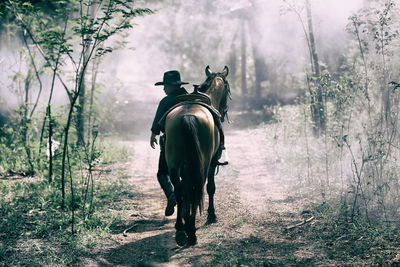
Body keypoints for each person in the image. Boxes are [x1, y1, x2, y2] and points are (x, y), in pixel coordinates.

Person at [150, 70, 188, 216]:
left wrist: (153, 133)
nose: (164, 88)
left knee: (162, 173)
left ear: (172, 86)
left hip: (171, 144)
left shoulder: (166, 101)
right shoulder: (191, 99)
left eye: (166, 85)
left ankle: (172, 195)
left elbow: (158, 123)